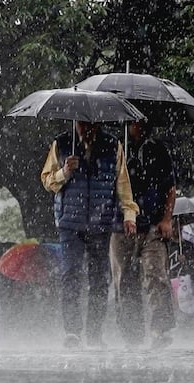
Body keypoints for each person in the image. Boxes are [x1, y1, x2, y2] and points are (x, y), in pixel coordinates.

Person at [41, 121, 139, 350]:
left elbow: (123, 184)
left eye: (91, 124)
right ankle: (72, 332)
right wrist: (64, 172)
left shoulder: (112, 145)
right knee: (71, 274)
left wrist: (129, 215)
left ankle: (94, 333)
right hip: (70, 224)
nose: (87, 129)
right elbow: (47, 181)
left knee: (99, 279)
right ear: (76, 122)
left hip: (101, 223)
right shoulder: (62, 143)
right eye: (82, 124)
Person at [109, 120, 176, 349]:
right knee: (123, 281)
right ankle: (131, 333)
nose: (139, 125)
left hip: (153, 225)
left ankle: (160, 329)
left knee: (156, 276)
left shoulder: (158, 149)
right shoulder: (115, 147)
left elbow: (170, 187)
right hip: (120, 225)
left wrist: (167, 219)